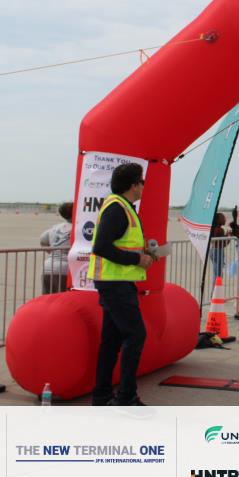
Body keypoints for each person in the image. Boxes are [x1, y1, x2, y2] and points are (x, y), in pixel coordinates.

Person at [88, 163, 155, 406]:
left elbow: (119, 244)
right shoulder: (117, 208)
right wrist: (137, 259)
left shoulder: (123, 207)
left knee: (112, 340)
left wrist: (144, 254)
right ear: (133, 184)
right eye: (142, 182)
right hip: (115, 284)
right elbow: (101, 246)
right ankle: (126, 397)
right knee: (136, 335)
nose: (144, 186)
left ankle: (102, 395)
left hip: (116, 282)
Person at [40, 201, 73, 294]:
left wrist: (53, 252)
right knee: (62, 299)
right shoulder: (79, 228)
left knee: (47, 298)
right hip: (65, 269)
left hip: (47, 267)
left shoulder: (55, 228)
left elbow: (43, 240)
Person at [209, 212, 228, 282]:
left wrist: (226, 236)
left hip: (212, 250)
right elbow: (223, 244)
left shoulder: (213, 228)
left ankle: (214, 286)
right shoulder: (220, 230)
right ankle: (216, 287)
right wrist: (229, 237)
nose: (225, 219)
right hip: (218, 251)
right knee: (218, 273)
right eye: (223, 218)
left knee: (215, 271)